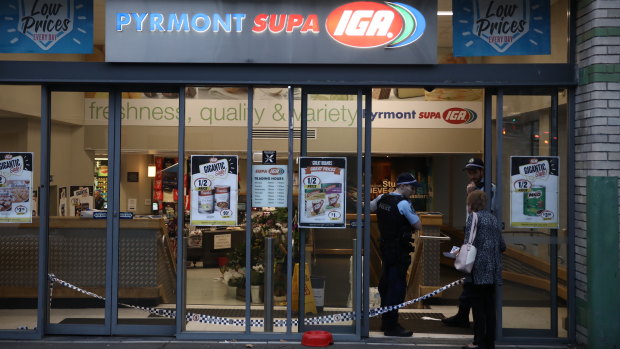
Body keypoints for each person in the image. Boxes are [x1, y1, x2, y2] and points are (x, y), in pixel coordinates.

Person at [443, 157, 497, 329]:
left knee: (476, 285)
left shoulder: (489, 188)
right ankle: (463, 315)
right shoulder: (472, 189)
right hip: (472, 237)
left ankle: (479, 325)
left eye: (474, 171)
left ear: (482, 171)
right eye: (469, 171)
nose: (471, 175)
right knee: (469, 280)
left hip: (481, 240)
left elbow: (487, 212)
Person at [371, 173, 423, 337]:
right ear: (402, 186)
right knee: (397, 287)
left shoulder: (382, 198)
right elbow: (418, 225)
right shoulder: (403, 204)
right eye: (411, 187)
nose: (413, 190)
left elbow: (367, 208)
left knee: (386, 285)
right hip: (399, 251)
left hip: (385, 248)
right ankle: (391, 326)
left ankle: (386, 322)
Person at [461, 191, 503, 349]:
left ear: (470, 204)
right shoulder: (493, 218)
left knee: (478, 306)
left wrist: (458, 253)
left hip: (478, 268)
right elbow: (502, 245)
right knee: (489, 307)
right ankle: (489, 342)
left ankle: (478, 341)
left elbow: (468, 243)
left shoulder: (474, 217)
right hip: (493, 269)